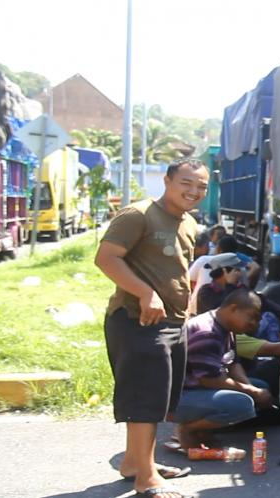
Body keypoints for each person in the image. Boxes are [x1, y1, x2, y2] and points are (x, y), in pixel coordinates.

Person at [94, 158, 209, 498]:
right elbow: (106, 258)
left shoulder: (187, 222)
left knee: (159, 399)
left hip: (173, 322)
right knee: (145, 397)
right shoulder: (138, 214)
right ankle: (146, 479)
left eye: (201, 186)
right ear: (168, 180)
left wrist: (188, 307)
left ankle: (134, 463)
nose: (194, 191)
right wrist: (145, 293)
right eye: (186, 183)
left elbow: (178, 270)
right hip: (138, 320)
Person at [172, 290, 273, 450]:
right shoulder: (207, 332)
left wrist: (253, 389)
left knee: (261, 387)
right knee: (243, 404)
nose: (254, 323)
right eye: (252, 316)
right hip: (177, 398)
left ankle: (203, 428)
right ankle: (187, 429)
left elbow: (233, 363)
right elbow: (209, 379)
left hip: (197, 388)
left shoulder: (225, 327)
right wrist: (252, 393)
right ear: (233, 309)